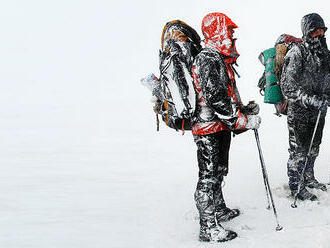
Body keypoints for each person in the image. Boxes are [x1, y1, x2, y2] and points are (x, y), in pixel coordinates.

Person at [191, 12, 261, 242]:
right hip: (208, 128)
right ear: (217, 30)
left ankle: (218, 209)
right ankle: (208, 227)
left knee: (219, 170)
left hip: (220, 127)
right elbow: (217, 99)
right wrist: (243, 121)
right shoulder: (208, 58)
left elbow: (227, 96)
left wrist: (243, 109)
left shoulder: (220, 58)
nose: (232, 35)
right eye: (228, 30)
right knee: (208, 176)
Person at [281, 13, 330, 201]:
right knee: (298, 150)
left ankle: (309, 177)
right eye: (315, 30)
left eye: (322, 30)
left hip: (318, 112)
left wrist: (326, 96)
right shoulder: (296, 52)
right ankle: (296, 186)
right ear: (307, 32)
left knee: (314, 147)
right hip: (300, 112)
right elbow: (288, 86)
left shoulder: (324, 54)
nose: (320, 34)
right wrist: (311, 100)